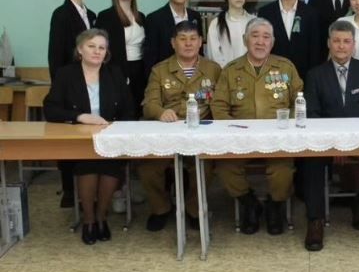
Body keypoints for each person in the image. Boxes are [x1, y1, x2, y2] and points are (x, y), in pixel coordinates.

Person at [211, 18, 303, 236]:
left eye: (266, 37)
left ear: (272, 42)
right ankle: (249, 203)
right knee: (224, 168)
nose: (260, 42)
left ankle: (275, 206)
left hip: (278, 138)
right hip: (239, 138)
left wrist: (288, 126)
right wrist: (231, 131)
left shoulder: (286, 67)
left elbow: (298, 101)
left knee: (282, 171)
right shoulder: (231, 70)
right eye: (255, 36)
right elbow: (219, 106)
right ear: (245, 40)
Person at [302, 20, 359, 251]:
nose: (341, 46)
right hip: (325, 143)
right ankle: (315, 220)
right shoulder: (315, 75)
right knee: (309, 161)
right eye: (336, 41)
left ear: (354, 45)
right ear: (328, 43)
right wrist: (334, 145)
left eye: (346, 41)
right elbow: (312, 115)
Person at [43, 29, 134, 245]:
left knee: (110, 165)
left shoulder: (114, 73)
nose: (97, 51)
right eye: (91, 46)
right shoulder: (66, 74)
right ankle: (89, 220)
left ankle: (101, 216)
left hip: (110, 137)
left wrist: (115, 128)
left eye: (102, 48)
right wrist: (79, 117)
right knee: (88, 164)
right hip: (78, 139)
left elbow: (129, 109)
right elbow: (51, 109)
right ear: (80, 49)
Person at [141, 21, 221, 231]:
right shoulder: (159, 70)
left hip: (201, 132)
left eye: (193, 39)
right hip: (168, 131)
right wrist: (160, 112)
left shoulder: (213, 69)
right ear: (173, 43)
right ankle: (161, 208)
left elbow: (222, 103)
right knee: (148, 167)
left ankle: (194, 210)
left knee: (204, 166)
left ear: (201, 42)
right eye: (182, 39)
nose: (188, 44)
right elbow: (149, 104)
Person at [48, 0, 96, 208]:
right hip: (69, 82)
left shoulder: (91, 14)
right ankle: (68, 189)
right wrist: (59, 85)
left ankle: (89, 188)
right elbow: (55, 54)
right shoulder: (61, 13)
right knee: (69, 136)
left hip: (90, 81)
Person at [258, 0, 320, 79]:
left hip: (303, 76)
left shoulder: (311, 13)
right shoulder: (265, 13)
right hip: (272, 76)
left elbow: (315, 51)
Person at [96, 0, 146, 118]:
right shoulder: (106, 16)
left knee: (139, 112)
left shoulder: (141, 16)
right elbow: (103, 49)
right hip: (119, 69)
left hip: (140, 69)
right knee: (124, 112)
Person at [143, 0, 203, 75]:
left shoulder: (195, 16)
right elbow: (150, 57)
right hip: (165, 77)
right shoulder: (154, 19)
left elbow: (200, 50)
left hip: (193, 75)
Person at [206, 0, 254, 67]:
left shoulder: (254, 21)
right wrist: (230, 72)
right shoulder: (216, 24)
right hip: (225, 73)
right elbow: (214, 55)